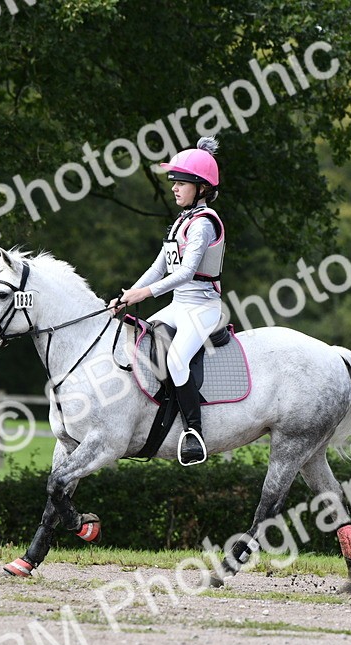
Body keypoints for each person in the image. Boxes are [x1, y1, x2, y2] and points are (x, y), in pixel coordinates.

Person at [111, 136, 225, 466]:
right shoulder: (181, 221)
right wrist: (125, 297)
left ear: (201, 187)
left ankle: (194, 432)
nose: (175, 187)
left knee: (175, 359)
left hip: (203, 307)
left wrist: (143, 294)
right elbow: (158, 267)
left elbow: (187, 272)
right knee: (145, 341)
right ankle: (161, 412)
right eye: (174, 181)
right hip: (179, 305)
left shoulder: (203, 223)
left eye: (182, 182)